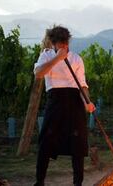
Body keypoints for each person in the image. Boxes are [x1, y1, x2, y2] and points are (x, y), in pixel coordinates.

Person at [33, 26, 95, 186]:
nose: (63, 47)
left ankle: (78, 183)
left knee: (78, 143)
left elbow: (82, 85)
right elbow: (38, 73)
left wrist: (87, 102)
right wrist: (57, 59)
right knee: (46, 141)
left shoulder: (76, 59)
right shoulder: (46, 56)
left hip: (74, 101)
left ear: (68, 42)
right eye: (59, 45)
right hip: (55, 100)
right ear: (53, 44)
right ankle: (39, 182)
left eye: (65, 44)